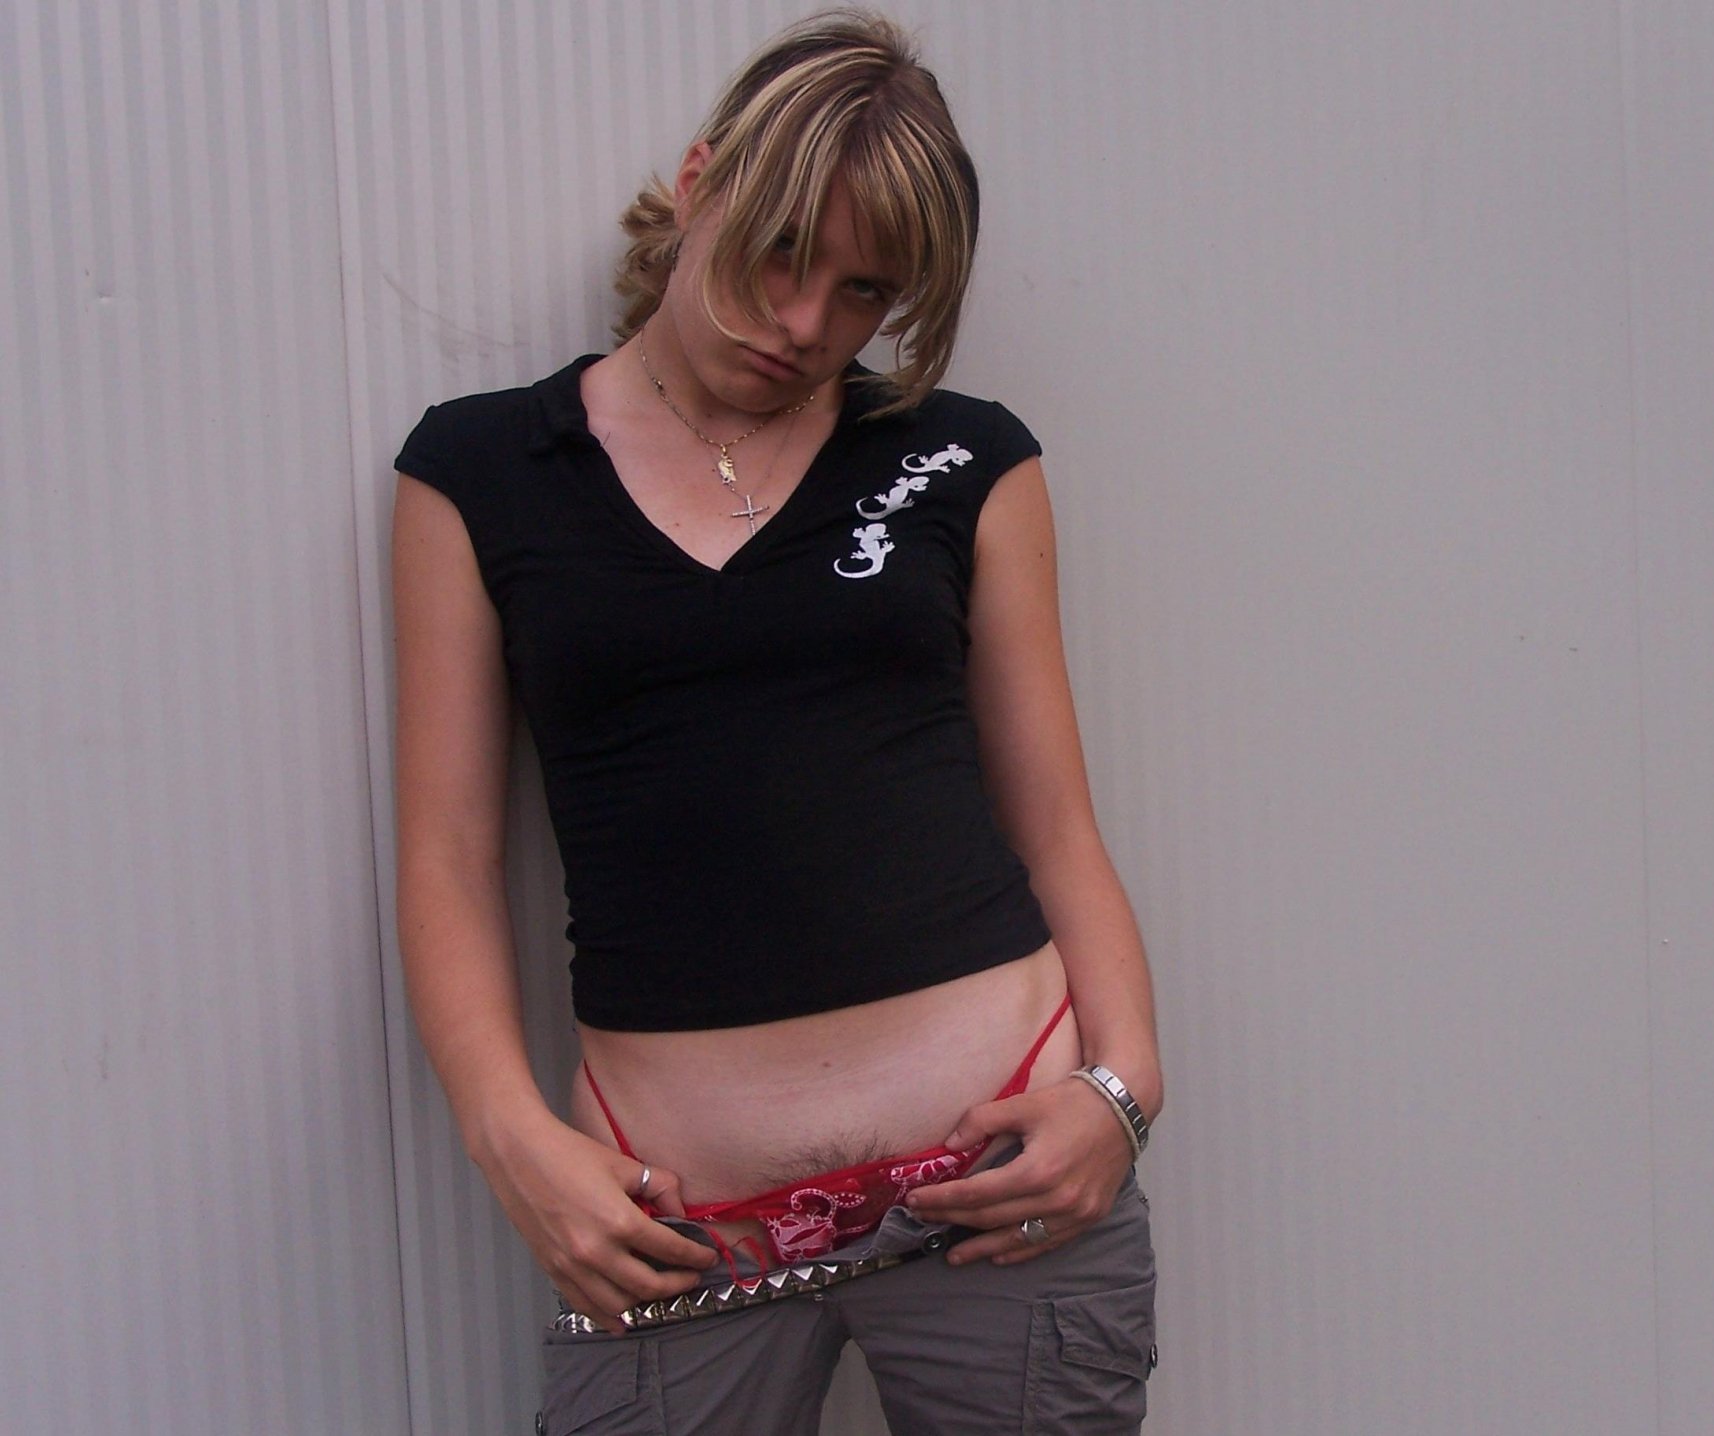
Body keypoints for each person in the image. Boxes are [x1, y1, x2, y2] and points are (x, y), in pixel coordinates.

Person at [390, 10, 1161, 1433]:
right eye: (782, 251)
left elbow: (1056, 822)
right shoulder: (480, 472)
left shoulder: (963, 459)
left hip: (1004, 1198)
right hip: (674, 1230)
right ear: (700, 184)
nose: (805, 323)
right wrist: (511, 1141)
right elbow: (445, 858)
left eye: (865, 290)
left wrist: (1120, 1091)